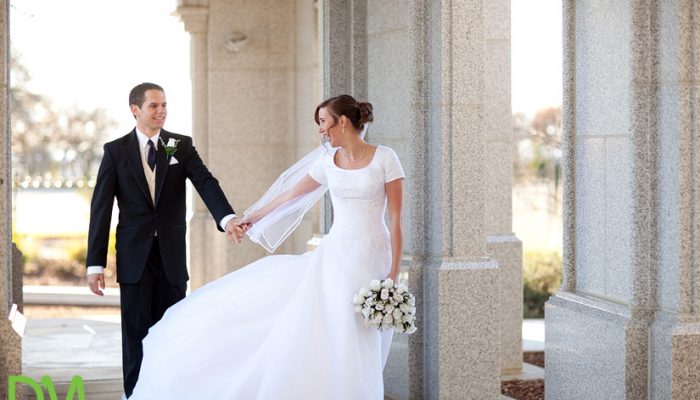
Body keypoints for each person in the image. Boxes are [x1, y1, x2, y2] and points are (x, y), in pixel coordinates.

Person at [128, 94, 405, 399]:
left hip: (374, 255)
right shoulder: (328, 161)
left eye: (323, 122)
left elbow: (395, 222)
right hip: (337, 257)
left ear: (342, 121)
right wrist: (250, 218)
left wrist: (393, 274)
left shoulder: (385, 158)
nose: (320, 130)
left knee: (365, 332)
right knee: (338, 330)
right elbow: (290, 196)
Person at [85, 82, 245, 399]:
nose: (161, 111)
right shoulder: (115, 152)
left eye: (164, 105)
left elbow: (205, 182)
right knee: (135, 337)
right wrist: (95, 263)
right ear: (135, 110)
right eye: (154, 106)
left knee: (173, 332)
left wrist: (226, 218)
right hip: (134, 260)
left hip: (171, 259)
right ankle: (134, 395)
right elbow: (101, 208)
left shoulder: (178, 146)